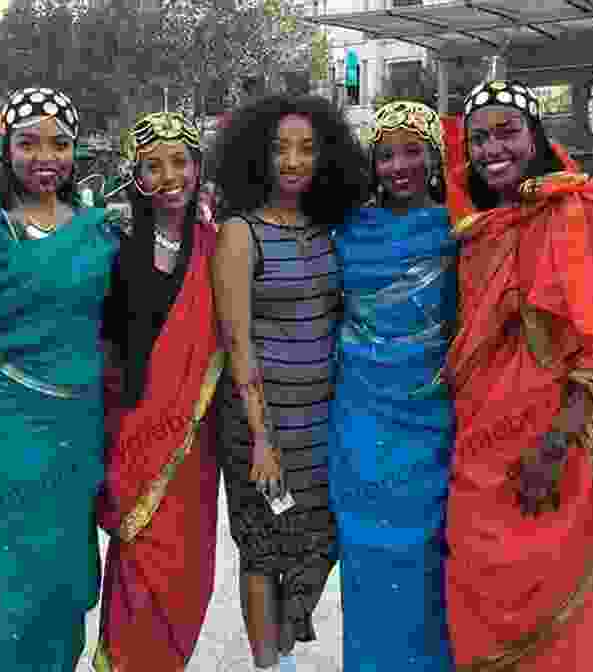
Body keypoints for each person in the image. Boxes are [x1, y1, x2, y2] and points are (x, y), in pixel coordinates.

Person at [0, 86, 119, 671]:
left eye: (59, 143)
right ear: (5, 148)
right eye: (28, 143)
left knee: (68, 595)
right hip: (5, 436)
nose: (45, 157)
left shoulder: (99, 232)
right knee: (25, 596)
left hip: (77, 437)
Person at [445, 79, 593, 671]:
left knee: (566, 614)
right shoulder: (477, 229)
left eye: (507, 133)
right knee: (480, 585)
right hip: (479, 444)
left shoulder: (587, 208)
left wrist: (554, 444)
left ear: (536, 136)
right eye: (480, 139)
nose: (493, 149)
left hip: (558, 444)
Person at [210, 94, 369, 672]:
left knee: (313, 544)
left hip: (321, 422)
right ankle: (269, 665)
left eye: (307, 148)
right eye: (280, 148)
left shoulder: (331, 231)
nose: (294, 160)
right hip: (261, 425)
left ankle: (283, 652)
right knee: (262, 551)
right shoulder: (239, 233)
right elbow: (237, 344)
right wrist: (260, 438)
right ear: (258, 155)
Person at [329, 101, 457, 671]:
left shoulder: (462, 229)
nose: (398, 165)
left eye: (412, 151)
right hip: (361, 421)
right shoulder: (349, 231)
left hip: (434, 425)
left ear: (436, 158)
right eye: (385, 155)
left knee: (430, 570)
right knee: (369, 569)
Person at [94, 112, 223, 672]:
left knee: (183, 568)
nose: (168, 175)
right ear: (137, 175)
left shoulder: (221, 245)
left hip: (195, 439)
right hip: (130, 431)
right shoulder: (112, 244)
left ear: (198, 168)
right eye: (153, 166)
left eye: (179, 162)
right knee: (137, 559)